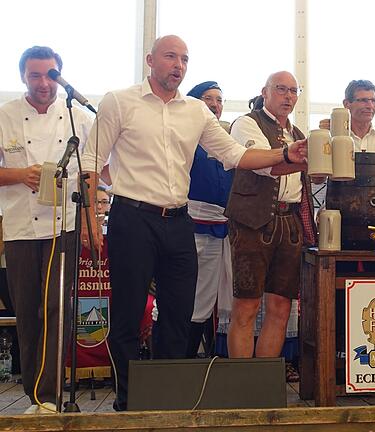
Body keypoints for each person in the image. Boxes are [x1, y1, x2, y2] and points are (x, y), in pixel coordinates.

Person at [79, 35, 307, 411]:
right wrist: (89, 218)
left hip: (177, 220)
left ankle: (166, 394)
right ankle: (128, 397)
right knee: (128, 311)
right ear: (151, 60)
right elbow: (91, 161)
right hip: (131, 217)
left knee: (178, 311)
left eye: (184, 59)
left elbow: (234, 154)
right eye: (171, 57)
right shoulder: (119, 101)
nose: (179, 65)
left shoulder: (196, 112)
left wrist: (284, 153)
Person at [0, 46, 93, 414]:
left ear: (60, 75)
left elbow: (92, 170)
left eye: (50, 75)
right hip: (21, 229)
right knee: (28, 311)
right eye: (35, 75)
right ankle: (34, 394)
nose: (43, 83)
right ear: (23, 77)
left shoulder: (76, 118)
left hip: (63, 227)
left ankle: (51, 396)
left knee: (57, 309)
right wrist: (19, 175)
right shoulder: (5, 115)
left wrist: (89, 225)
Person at [225, 71, 316, 363]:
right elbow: (263, 164)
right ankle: (242, 385)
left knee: (280, 307)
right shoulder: (246, 123)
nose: (288, 96)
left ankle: (263, 383)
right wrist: (298, 159)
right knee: (247, 306)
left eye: (293, 91)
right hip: (252, 221)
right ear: (264, 92)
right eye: (281, 89)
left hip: (290, 222)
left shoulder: (298, 134)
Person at [185, 81, 234, 358]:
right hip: (189, 225)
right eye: (208, 98)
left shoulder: (226, 141)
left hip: (221, 228)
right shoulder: (186, 137)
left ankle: (199, 361)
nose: (215, 104)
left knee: (207, 298)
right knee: (185, 294)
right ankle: (173, 362)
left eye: (219, 100)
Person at [321, 79, 375, 177]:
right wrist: (323, 137)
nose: (370, 106)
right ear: (346, 104)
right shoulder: (332, 138)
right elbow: (317, 180)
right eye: (363, 100)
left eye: (373, 101)